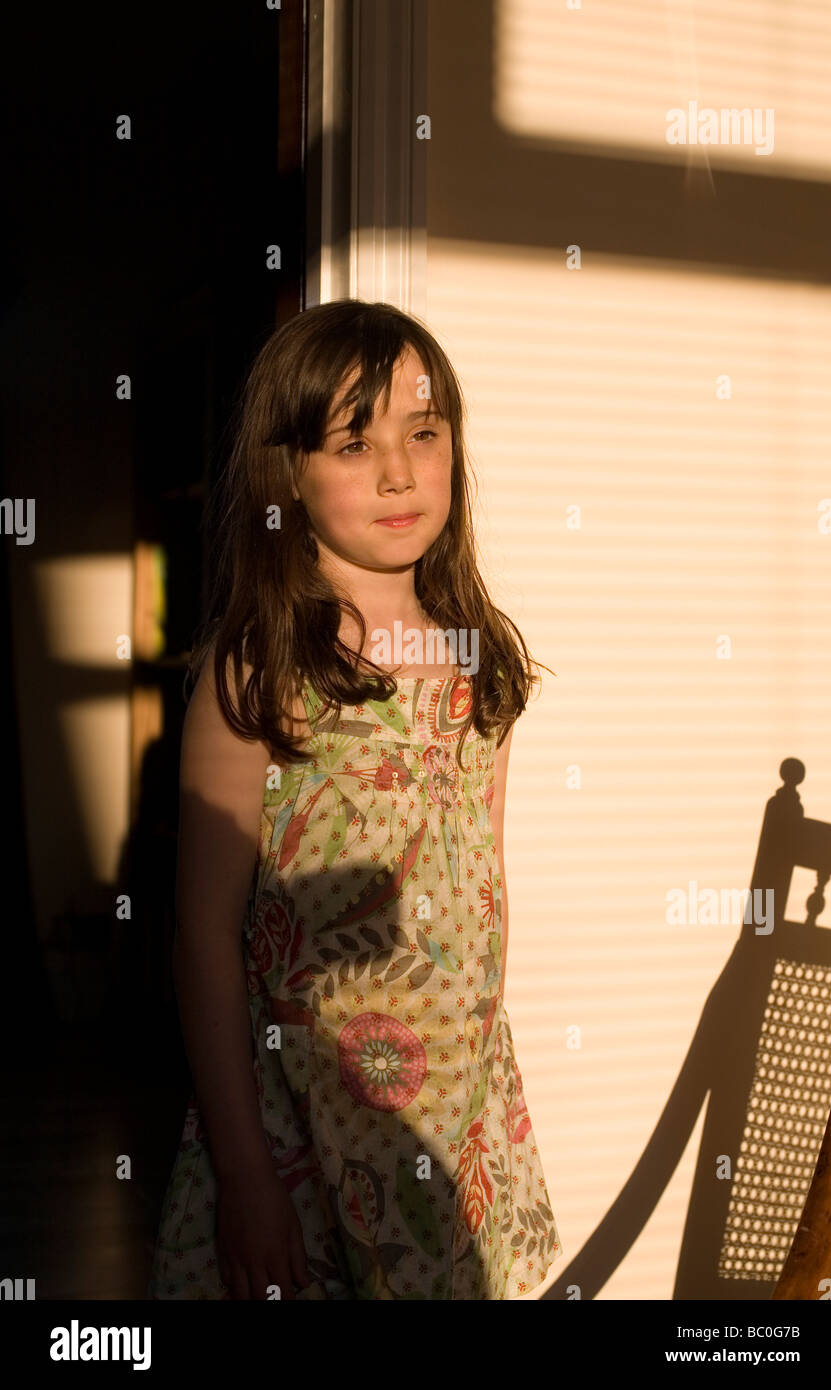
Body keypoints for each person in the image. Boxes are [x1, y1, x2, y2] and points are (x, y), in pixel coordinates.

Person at [149, 298, 562, 1300]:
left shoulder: (480, 662)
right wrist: (249, 1175)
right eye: (352, 442)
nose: (396, 472)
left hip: (451, 1122)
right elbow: (202, 936)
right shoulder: (256, 676)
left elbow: (482, 897)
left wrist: (483, 1124)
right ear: (289, 470)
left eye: (422, 433)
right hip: (300, 1129)